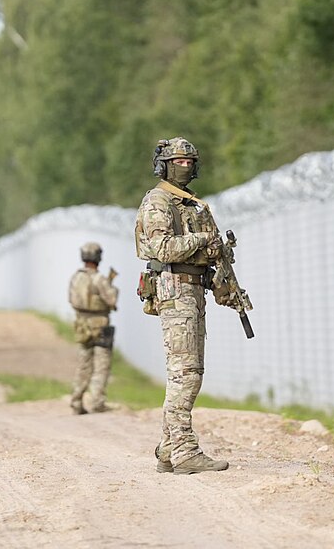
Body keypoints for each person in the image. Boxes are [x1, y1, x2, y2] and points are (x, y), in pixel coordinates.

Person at [135, 137, 228, 474]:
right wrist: (202, 240)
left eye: (190, 162)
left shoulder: (192, 205)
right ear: (164, 165)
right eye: (178, 162)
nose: (185, 168)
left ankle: (167, 449)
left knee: (190, 372)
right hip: (174, 290)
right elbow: (163, 250)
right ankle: (186, 451)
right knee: (185, 374)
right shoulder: (158, 202)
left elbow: (213, 255)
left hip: (192, 290)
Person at [68, 241, 119, 415]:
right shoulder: (99, 279)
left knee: (84, 364)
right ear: (98, 257)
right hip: (100, 325)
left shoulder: (76, 277)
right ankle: (97, 402)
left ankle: (76, 400)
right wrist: (112, 287)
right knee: (101, 365)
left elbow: (72, 299)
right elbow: (111, 300)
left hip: (82, 324)